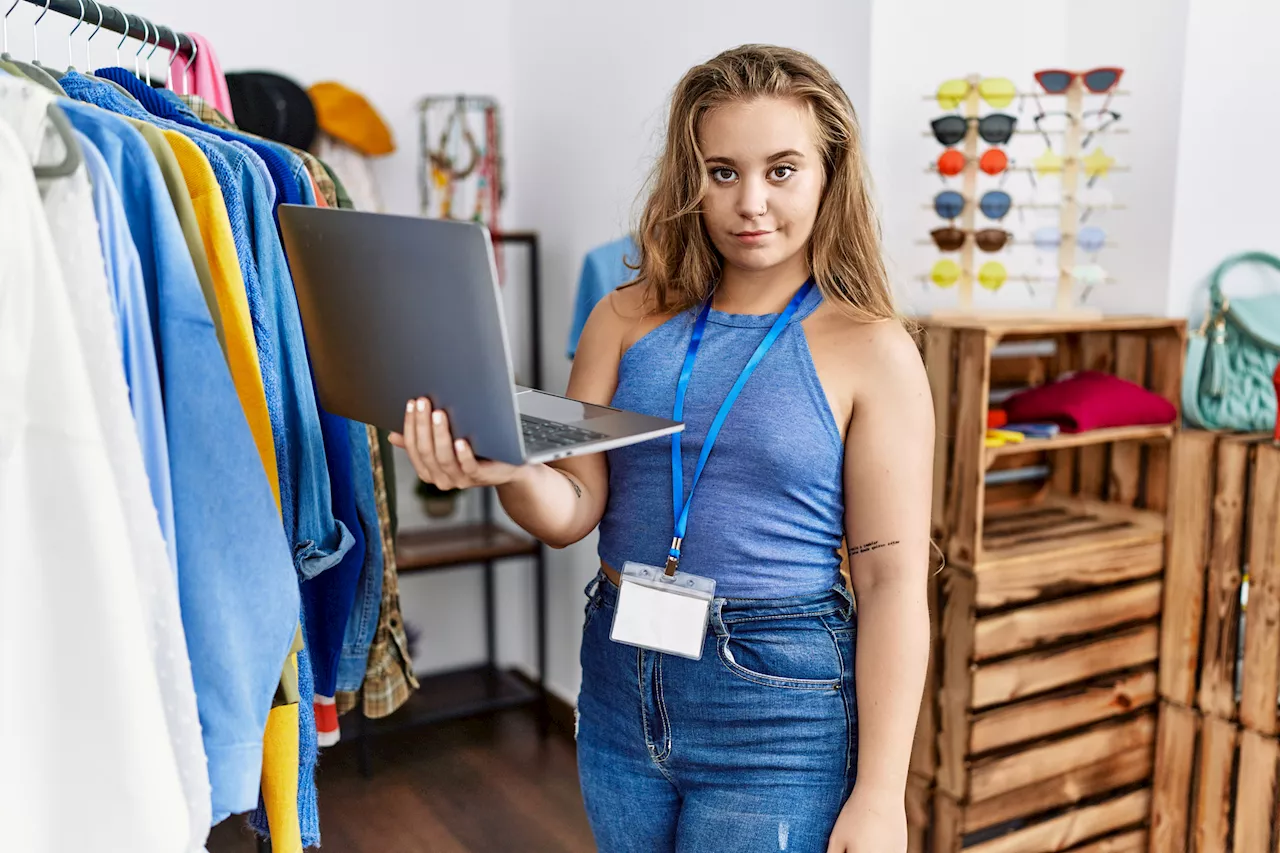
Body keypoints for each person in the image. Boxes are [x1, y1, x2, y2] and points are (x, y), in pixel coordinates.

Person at [390, 43, 932, 853]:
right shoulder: (623, 318)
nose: (750, 201)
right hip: (618, 675)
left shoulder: (873, 347)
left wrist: (883, 793)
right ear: (691, 179)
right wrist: (508, 467)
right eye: (722, 172)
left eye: (782, 170)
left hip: (776, 706)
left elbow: (892, 580)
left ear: (829, 174)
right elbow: (573, 509)